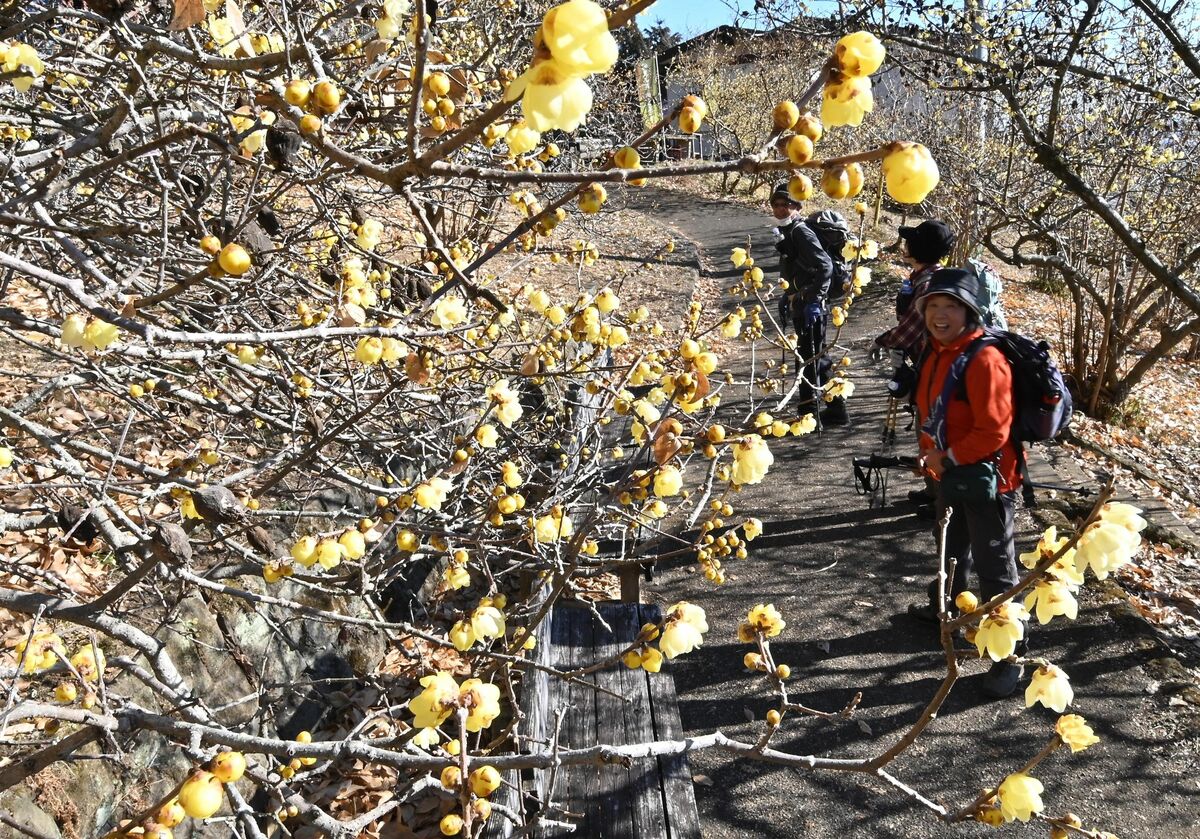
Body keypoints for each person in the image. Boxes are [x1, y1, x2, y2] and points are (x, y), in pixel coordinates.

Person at [909, 268, 1024, 699]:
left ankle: (1009, 656)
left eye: (951, 306)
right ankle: (946, 612)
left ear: (970, 311)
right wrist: (930, 454)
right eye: (932, 306)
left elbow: (994, 431)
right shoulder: (939, 351)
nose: (940, 314)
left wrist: (947, 456)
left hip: (988, 479)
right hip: (950, 473)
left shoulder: (984, 359)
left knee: (996, 567)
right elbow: (932, 411)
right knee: (950, 546)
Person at [872, 219, 957, 514]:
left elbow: (909, 329)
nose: (906, 246)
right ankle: (933, 490)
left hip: (938, 370)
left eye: (911, 241)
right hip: (932, 365)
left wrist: (879, 343)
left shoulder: (929, 284)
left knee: (932, 429)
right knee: (927, 427)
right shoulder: (930, 277)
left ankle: (942, 501)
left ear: (918, 248)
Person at [768, 182, 847, 425]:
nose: (780, 209)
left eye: (786, 204)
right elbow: (795, 267)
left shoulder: (801, 231)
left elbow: (825, 266)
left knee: (812, 358)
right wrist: (787, 294)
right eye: (776, 204)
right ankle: (821, 411)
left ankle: (820, 412)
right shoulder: (789, 230)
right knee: (811, 357)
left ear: (797, 206)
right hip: (801, 302)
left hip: (811, 305)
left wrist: (814, 300)